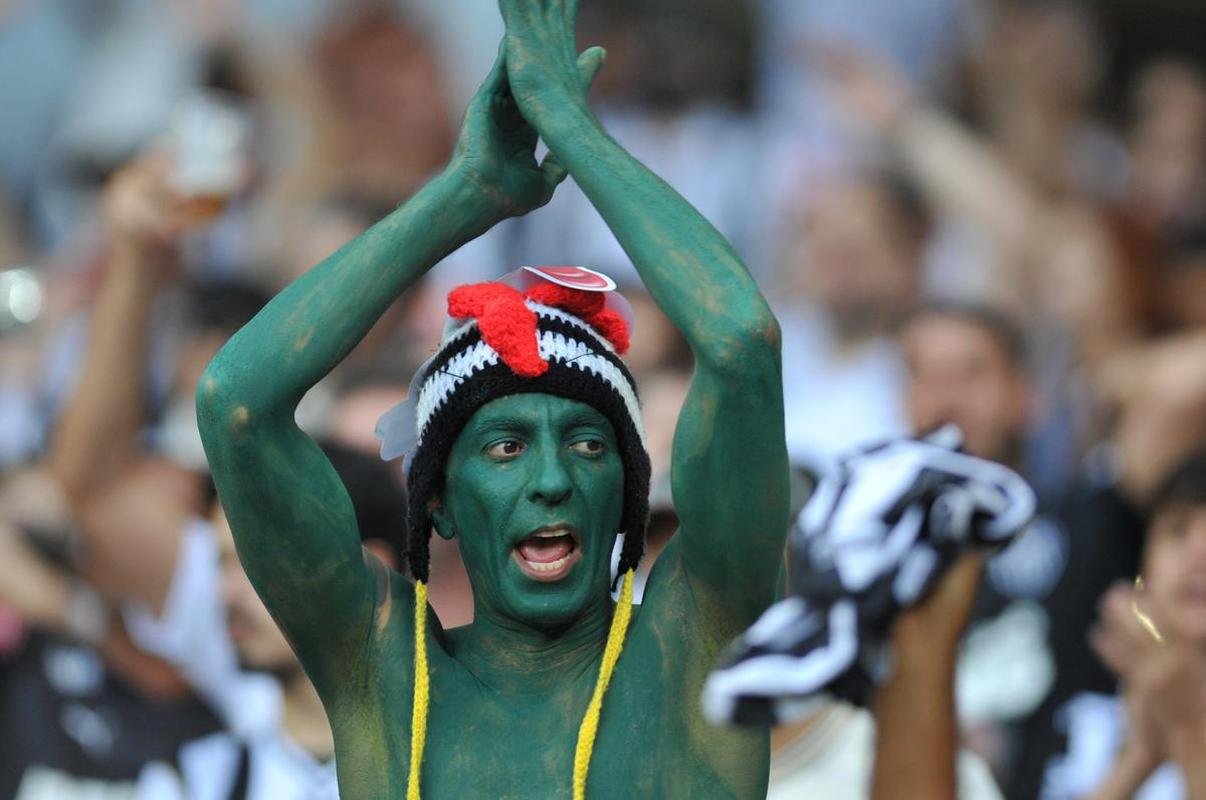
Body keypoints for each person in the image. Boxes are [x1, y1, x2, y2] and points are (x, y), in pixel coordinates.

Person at [197, 3, 788, 799]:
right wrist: (464, 194)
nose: (551, 480)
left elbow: (741, 342)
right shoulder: (383, 676)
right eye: (506, 447)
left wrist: (574, 133)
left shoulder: (696, 645)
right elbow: (236, 403)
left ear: (629, 489)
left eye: (587, 445)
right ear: (435, 500)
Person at [1081, 451, 1206, 799]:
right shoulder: (1103, 681)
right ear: (1143, 568)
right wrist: (1139, 758)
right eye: (1177, 531)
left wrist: (1186, 726)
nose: (1199, 555)